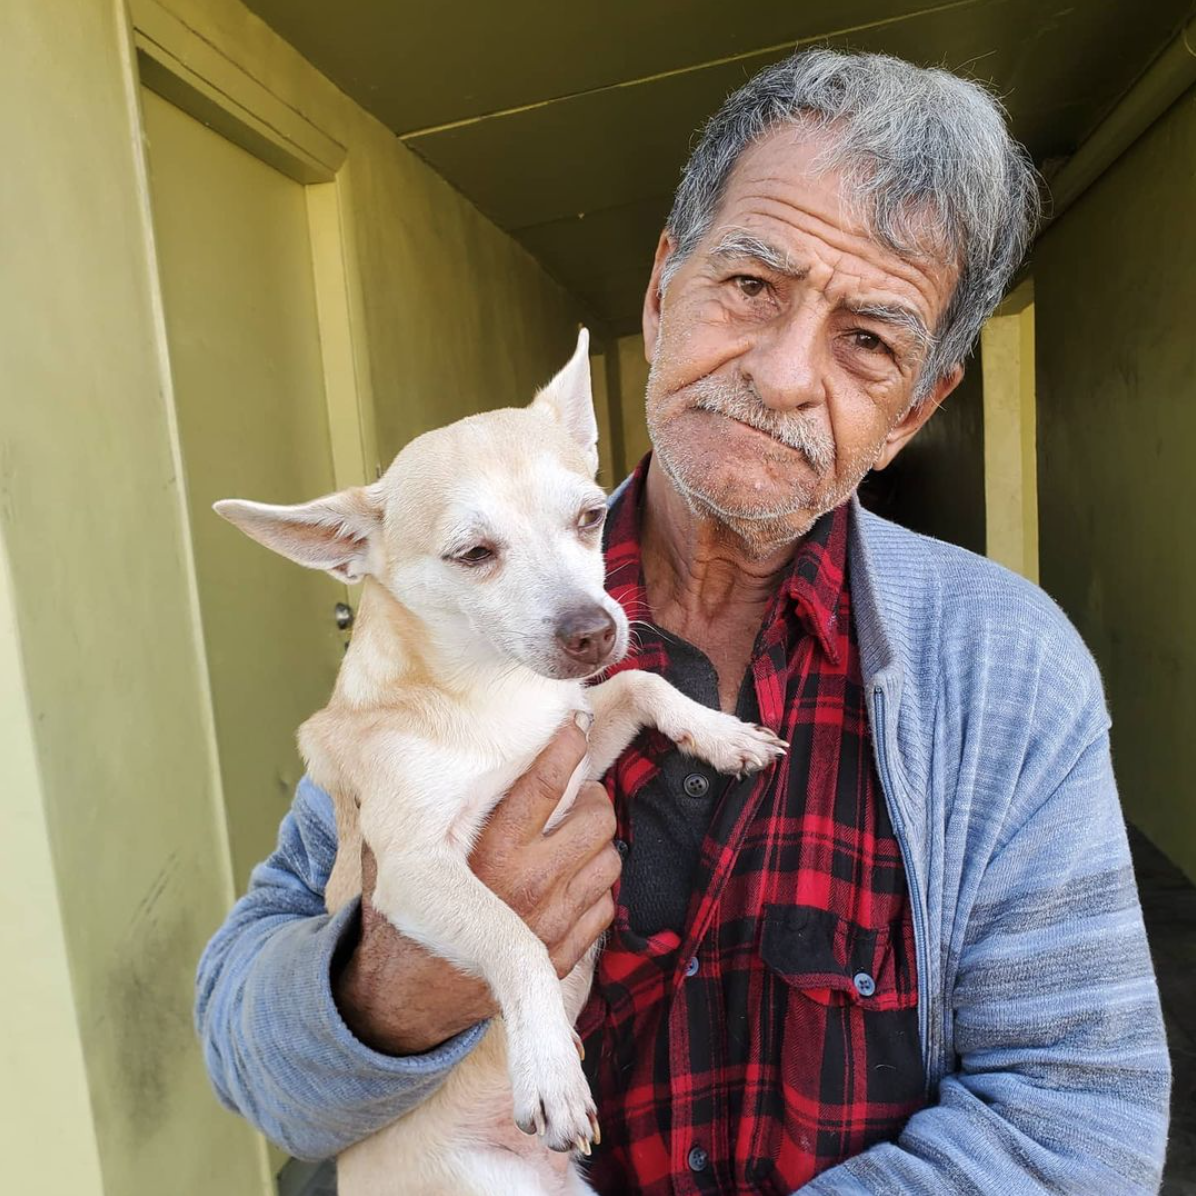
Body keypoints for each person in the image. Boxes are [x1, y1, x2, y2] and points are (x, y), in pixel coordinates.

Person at [196, 49, 1171, 1193]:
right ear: (660, 293)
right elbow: (249, 1058)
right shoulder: (445, 641)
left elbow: (1078, 1118)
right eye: (749, 285)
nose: (781, 372)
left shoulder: (1007, 667)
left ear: (914, 409)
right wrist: (395, 984)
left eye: (867, 339)